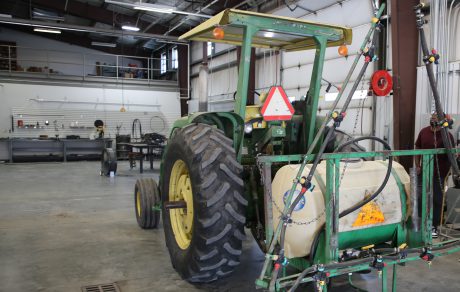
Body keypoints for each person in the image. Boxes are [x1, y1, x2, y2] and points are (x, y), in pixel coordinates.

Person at [415, 113, 455, 238]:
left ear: (442, 121)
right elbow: (417, 148)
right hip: (424, 172)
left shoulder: (447, 135)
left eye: (436, 117)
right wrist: (418, 165)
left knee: (437, 199)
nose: (432, 119)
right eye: (432, 117)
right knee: (421, 197)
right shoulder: (424, 132)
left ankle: (434, 226)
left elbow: (452, 154)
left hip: (440, 174)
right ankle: (420, 224)